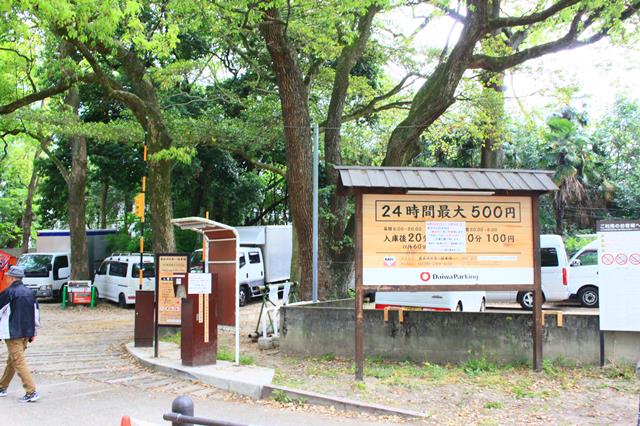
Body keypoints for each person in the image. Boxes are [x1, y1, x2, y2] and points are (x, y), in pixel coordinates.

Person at [0, 265, 40, 402]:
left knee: (18, 361)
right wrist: (34, 331)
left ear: (11, 278)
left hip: (12, 333)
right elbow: (36, 314)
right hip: (26, 333)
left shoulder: (8, 293)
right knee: (13, 359)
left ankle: (31, 391)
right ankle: (2, 387)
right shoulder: (30, 293)